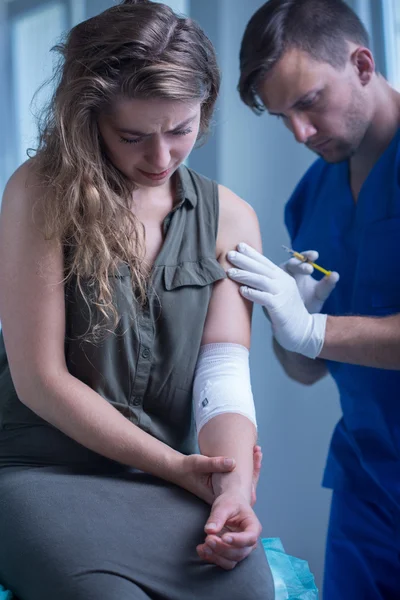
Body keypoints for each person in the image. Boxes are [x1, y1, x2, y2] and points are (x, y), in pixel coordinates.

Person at [0, 1, 275, 598]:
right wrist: (178, 468)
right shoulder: (38, 191)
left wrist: (229, 487)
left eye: (181, 130)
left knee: (249, 589)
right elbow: (39, 380)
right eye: (132, 136)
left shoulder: (232, 218)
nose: (160, 159)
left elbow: (222, 374)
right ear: (87, 119)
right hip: (42, 468)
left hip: (171, 479)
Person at [227, 0, 400, 598]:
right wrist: (287, 321)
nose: (300, 133)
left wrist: (312, 330)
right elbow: (306, 369)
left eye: (308, 103)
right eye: (282, 116)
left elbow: (316, 339)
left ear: (361, 64)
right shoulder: (308, 200)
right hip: (368, 479)